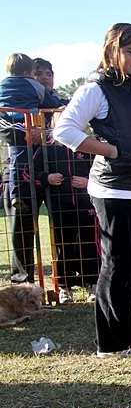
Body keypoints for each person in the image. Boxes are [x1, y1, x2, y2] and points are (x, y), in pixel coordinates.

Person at [53, 23, 131, 358]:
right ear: (113, 51)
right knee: (119, 265)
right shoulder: (97, 88)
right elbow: (64, 129)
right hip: (116, 192)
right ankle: (112, 341)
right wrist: (108, 151)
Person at [0, 53, 61, 283]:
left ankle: (66, 279)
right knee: (21, 228)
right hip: (20, 168)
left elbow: (67, 130)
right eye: (39, 73)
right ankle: (23, 282)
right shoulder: (20, 99)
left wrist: (44, 133)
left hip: (53, 168)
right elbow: (4, 128)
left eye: (48, 74)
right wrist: (27, 132)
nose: (44, 78)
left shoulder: (55, 103)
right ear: (29, 75)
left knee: (65, 222)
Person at [32, 138, 99, 303]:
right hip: (59, 206)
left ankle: (93, 284)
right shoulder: (47, 149)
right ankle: (64, 287)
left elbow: (105, 170)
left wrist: (88, 182)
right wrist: (46, 178)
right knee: (62, 246)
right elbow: (29, 172)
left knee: (89, 244)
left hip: (87, 205)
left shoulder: (90, 145)